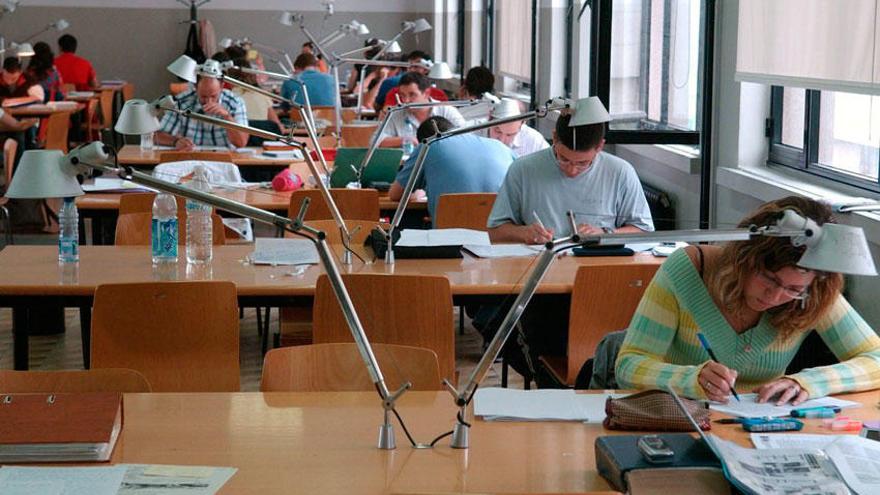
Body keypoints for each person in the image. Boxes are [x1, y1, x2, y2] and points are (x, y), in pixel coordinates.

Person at [616, 196, 880, 405]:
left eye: (793, 289)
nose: (776, 297)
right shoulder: (688, 270)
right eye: (769, 279)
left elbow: (876, 358)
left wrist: (811, 382)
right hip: (679, 420)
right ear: (745, 259)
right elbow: (628, 367)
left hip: (761, 430)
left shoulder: (814, 292)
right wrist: (691, 379)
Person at [487, 97, 653, 243]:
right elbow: (494, 232)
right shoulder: (523, 169)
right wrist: (524, 233)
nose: (572, 170)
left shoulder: (620, 172)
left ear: (600, 146)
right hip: (540, 264)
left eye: (583, 163)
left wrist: (606, 234)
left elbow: (644, 231)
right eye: (564, 159)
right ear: (554, 138)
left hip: (596, 266)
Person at [389, 116, 516, 221]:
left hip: (450, 239)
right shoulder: (501, 147)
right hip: (501, 236)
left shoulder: (428, 145)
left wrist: (418, 192)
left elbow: (395, 194)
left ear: (422, 140)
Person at [155, 73, 248, 150]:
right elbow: (157, 136)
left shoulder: (235, 102)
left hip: (225, 160)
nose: (209, 101)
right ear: (195, 87)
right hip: (190, 158)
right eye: (203, 96)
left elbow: (241, 143)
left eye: (213, 96)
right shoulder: (181, 102)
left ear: (221, 86)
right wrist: (176, 141)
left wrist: (227, 117)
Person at [376, 72, 465, 148]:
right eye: (402, 95)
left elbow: (466, 136)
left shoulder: (446, 111)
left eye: (412, 95)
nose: (406, 100)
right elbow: (375, 141)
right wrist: (404, 140)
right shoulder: (396, 113)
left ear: (426, 93)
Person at [228, 59, 286, 135]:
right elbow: (278, 127)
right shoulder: (262, 94)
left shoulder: (228, 96)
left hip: (239, 142)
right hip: (262, 142)